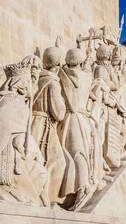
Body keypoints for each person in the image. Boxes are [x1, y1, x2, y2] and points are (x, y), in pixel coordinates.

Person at [58, 48, 102, 211]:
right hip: (83, 118)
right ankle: (73, 191)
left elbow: (60, 69)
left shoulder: (64, 74)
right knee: (78, 152)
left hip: (73, 117)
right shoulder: (87, 76)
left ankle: (83, 187)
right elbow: (85, 69)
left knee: (76, 152)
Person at [0, 62, 48, 206]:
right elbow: (16, 138)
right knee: (39, 173)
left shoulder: (14, 102)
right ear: (19, 84)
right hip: (11, 159)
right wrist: (32, 151)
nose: (30, 86)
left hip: (19, 156)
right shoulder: (12, 102)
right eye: (27, 81)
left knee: (40, 172)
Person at [31, 45, 66, 205]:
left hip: (33, 122)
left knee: (36, 161)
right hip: (45, 125)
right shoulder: (53, 83)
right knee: (58, 162)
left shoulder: (37, 79)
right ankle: (49, 201)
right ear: (58, 65)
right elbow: (59, 113)